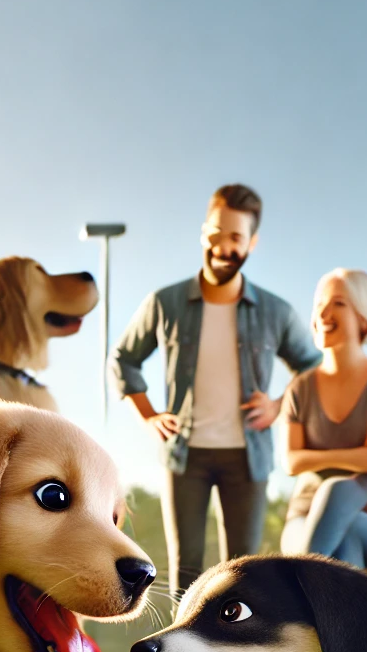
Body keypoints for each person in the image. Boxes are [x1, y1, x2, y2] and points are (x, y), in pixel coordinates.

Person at [109, 183, 319, 601]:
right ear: (204, 231)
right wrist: (148, 414)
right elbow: (124, 358)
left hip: (248, 457)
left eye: (236, 238)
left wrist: (278, 405)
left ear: (252, 243)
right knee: (185, 568)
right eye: (216, 234)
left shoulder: (275, 312)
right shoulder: (165, 303)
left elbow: (312, 365)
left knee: (243, 572)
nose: (223, 247)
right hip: (185, 455)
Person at [279, 268, 367, 565]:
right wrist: (358, 455)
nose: (323, 312)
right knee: (339, 536)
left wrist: (318, 458)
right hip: (305, 516)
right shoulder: (300, 387)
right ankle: (342, 610)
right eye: (319, 303)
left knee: (337, 501)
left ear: (364, 317)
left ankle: (295, 600)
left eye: (338, 303)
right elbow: (290, 461)